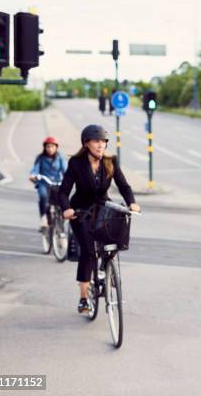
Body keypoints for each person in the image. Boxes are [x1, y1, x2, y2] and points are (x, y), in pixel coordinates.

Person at [58, 124, 140, 314]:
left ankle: (106, 266)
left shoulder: (110, 161)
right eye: (96, 141)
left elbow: (124, 185)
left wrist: (132, 203)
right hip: (80, 211)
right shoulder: (76, 164)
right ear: (86, 143)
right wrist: (66, 209)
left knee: (114, 236)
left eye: (103, 141)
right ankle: (84, 297)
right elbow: (63, 191)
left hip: (102, 208)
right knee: (87, 250)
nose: (100, 145)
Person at [29, 136, 67, 231]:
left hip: (57, 182)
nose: (50, 149)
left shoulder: (60, 157)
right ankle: (43, 219)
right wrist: (33, 175)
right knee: (43, 196)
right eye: (48, 147)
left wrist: (68, 178)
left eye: (52, 146)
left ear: (56, 147)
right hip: (43, 182)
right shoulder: (40, 158)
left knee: (62, 199)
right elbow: (35, 169)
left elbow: (65, 170)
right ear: (45, 148)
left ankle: (61, 221)